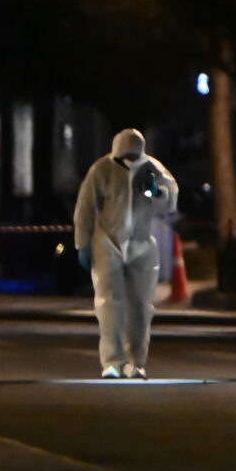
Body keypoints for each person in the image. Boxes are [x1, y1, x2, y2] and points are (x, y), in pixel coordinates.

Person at [74, 128, 178, 379]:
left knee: (141, 306)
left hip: (142, 244)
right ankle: (112, 361)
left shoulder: (153, 170)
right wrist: (82, 244)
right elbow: (85, 208)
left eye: (134, 156)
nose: (130, 161)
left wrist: (157, 192)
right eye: (125, 157)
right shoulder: (102, 170)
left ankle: (135, 362)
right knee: (109, 304)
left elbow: (170, 201)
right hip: (107, 243)